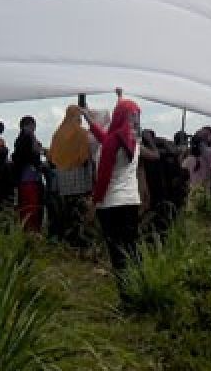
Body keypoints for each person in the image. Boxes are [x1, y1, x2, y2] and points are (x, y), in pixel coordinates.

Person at [88, 96, 142, 288]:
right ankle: (140, 291)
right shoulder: (134, 141)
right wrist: (91, 124)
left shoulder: (113, 142)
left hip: (111, 203)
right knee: (132, 249)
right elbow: (107, 138)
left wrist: (94, 204)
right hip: (131, 201)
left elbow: (103, 178)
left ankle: (127, 296)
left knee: (117, 252)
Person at [49, 102, 98, 246]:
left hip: (63, 180)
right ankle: (80, 241)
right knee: (80, 212)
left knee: (67, 211)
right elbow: (85, 158)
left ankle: (66, 240)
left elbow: (52, 157)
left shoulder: (57, 134)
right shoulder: (82, 133)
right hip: (80, 180)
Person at [11, 116, 45, 233]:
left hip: (24, 180)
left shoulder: (20, 139)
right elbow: (32, 155)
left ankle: (27, 233)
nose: (34, 128)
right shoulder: (27, 138)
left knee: (26, 209)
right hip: (30, 179)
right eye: (33, 125)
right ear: (28, 125)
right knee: (32, 209)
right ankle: (33, 233)